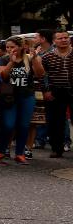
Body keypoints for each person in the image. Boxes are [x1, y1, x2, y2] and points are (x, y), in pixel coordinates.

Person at [0, 36, 46, 164]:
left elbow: (40, 74)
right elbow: (3, 76)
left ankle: (20, 153)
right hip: (9, 97)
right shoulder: (4, 59)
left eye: (13, 47)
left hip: (27, 96)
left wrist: (34, 59)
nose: (10, 50)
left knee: (24, 125)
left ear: (20, 47)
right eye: (7, 47)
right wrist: (11, 62)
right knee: (8, 124)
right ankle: (1, 151)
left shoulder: (29, 58)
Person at [41, 30, 73, 158]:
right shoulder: (47, 57)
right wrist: (46, 90)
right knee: (56, 122)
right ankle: (56, 148)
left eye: (66, 37)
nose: (64, 40)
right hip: (55, 91)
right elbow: (43, 76)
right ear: (54, 41)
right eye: (60, 38)